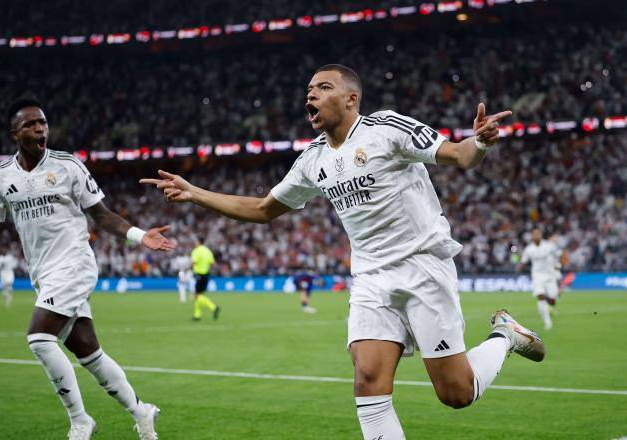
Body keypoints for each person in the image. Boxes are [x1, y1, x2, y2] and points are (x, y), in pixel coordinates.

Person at [142, 64, 545, 440]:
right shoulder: (312, 159)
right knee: (368, 380)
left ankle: (504, 335)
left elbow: (459, 155)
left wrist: (478, 141)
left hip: (422, 265)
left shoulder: (386, 128)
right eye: (308, 90)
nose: (310, 96)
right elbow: (263, 210)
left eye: (323, 88)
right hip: (371, 277)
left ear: (351, 99)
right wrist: (195, 193)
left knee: (456, 393)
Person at [0, 98, 175, 440]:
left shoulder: (68, 166)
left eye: (43, 123)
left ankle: (80, 421)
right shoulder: (0, 177)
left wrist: (139, 236)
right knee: (87, 351)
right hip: (43, 273)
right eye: (31, 124)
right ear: (14, 133)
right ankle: (142, 411)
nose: (40, 129)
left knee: (39, 339)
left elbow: (102, 215)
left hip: (75, 263)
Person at [517, 228, 562, 330]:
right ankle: (547, 322)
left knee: (553, 300)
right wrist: (519, 267)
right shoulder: (529, 249)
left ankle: (549, 299)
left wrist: (557, 265)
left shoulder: (549, 245)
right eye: (535, 235)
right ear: (532, 237)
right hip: (537, 276)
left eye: (538, 234)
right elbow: (523, 261)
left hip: (550, 276)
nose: (537, 236)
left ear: (541, 235)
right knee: (540, 296)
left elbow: (557, 255)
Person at [190, 237, 220, 321]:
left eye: (196, 241)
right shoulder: (208, 251)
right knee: (199, 295)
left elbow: (193, 262)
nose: (195, 243)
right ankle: (197, 315)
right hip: (206, 275)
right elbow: (213, 263)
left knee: (197, 295)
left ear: (198, 242)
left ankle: (214, 308)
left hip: (199, 275)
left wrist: (189, 270)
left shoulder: (196, 251)